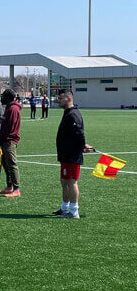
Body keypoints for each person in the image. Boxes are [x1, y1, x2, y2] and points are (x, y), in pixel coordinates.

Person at [55, 89, 93, 219]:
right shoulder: (68, 113)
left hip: (72, 155)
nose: (58, 100)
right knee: (64, 181)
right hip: (65, 155)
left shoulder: (73, 114)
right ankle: (65, 208)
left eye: (60, 98)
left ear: (69, 98)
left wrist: (82, 146)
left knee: (72, 182)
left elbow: (79, 134)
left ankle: (74, 211)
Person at [0, 89, 22, 197]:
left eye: (3, 96)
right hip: (6, 140)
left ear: (8, 98)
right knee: (5, 163)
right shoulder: (9, 107)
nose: (1, 98)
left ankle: (16, 189)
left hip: (9, 140)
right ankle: (9, 186)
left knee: (11, 164)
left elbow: (9, 128)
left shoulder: (13, 109)